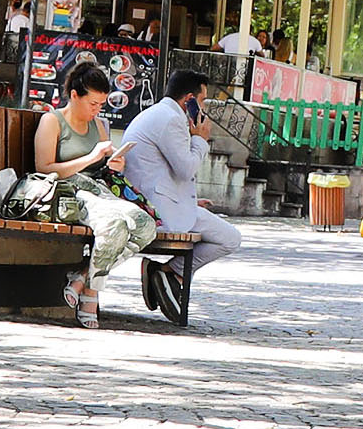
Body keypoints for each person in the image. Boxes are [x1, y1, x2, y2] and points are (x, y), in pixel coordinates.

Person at [25, 59, 161, 324]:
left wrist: (114, 165)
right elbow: (44, 168)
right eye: (93, 104)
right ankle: (92, 296)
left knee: (145, 224)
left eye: (101, 104)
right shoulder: (52, 122)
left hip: (98, 191)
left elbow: (101, 171)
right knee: (115, 225)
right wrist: (89, 158)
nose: (97, 110)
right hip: (68, 193)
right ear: (74, 95)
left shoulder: (97, 125)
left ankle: (82, 278)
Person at [118, 69, 244, 283]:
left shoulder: (159, 113)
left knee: (225, 235)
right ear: (189, 100)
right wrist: (201, 140)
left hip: (153, 202)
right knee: (231, 239)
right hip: (157, 212)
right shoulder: (171, 120)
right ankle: (171, 271)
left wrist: (191, 200)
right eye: (202, 101)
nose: (203, 108)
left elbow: (164, 170)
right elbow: (186, 169)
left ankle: (170, 273)